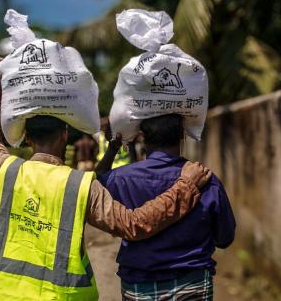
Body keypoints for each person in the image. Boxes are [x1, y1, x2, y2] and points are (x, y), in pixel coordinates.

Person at [0, 59, 213, 301]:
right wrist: (185, 186)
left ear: (27, 138)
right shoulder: (78, 186)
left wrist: (1, 93)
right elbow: (134, 224)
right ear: (64, 135)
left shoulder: (8, 169)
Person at [98, 114, 236, 301]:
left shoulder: (120, 179)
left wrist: (113, 148)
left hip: (140, 285)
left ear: (142, 137)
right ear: (182, 134)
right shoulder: (205, 180)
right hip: (193, 283)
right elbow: (224, 238)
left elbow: (96, 182)